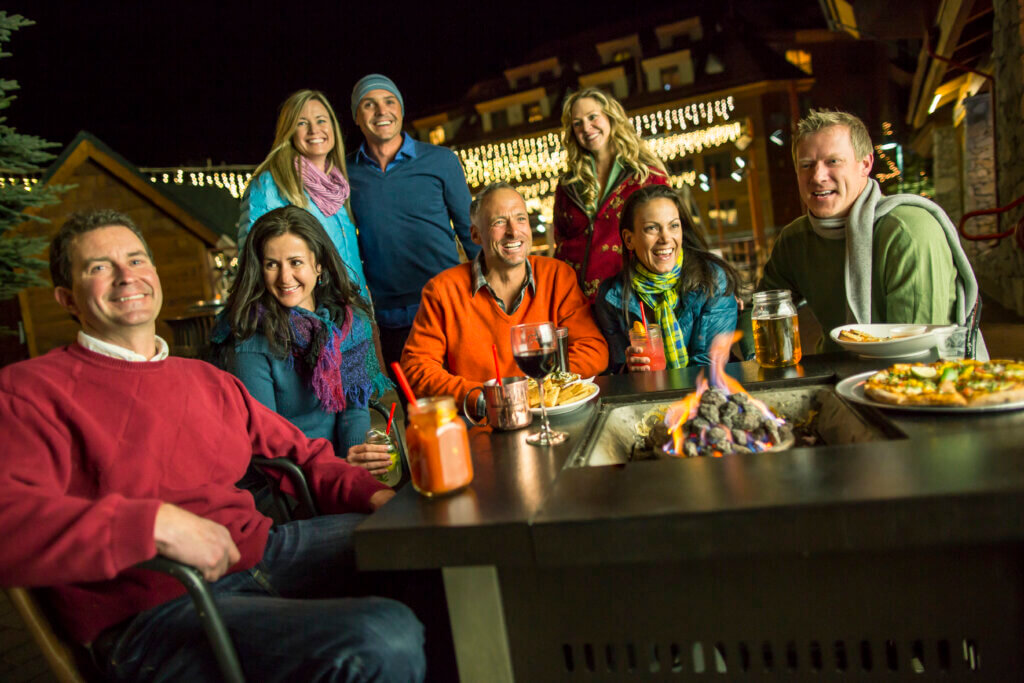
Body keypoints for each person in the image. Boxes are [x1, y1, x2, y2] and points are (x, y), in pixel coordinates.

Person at [0, 209, 425, 681]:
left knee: (424, 547)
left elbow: (303, 453)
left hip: (260, 552)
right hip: (159, 609)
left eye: (136, 260)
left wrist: (379, 497)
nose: (126, 277)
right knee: (383, 636)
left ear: (155, 275)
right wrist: (152, 524)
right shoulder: (29, 391)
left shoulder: (202, 379)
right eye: (99, 267)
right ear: (66, 298)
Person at [745, 109, 982, 356]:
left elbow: (917, 352)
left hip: (922, 381)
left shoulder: (908, 230)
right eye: (806, 165)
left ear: (865, 164)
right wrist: (757, 356)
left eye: (833, 161)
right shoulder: (794, 239)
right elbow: (758, 310)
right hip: (838, 372)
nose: (817, 176)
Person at [214, 205, 395, 476]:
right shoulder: (251, 339)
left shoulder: (349, 323)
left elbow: (353, 409)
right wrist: (339, 472)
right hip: (291, 478)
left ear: (318, 265)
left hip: (341, 469)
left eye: (295, 262)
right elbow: (270, 443)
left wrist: (355, 460)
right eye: (272, 265)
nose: (285, 277)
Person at [400, 183, 608, 412]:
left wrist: (540, 390)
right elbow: (417, 367)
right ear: (476, 235)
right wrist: (482, 398)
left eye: (520, 219)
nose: (513, 231)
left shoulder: (557, 275)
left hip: (552, 412)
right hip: (483, 422)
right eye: (498, 222)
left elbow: (593, 349)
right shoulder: (442, 290)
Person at [346, 73, 481, 373]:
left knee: (464, 404)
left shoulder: (441, 161)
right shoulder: (345, 174)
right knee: (416, 411)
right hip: (390, 318)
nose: (382, 111)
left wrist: (490, 298)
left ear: (402, 110)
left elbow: (471, 233)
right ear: (356, 116)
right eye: (369, 104)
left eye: (389, 102)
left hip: (448, 307)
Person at [237, 89, 369, 302]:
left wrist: (366, 308)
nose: (314, 130)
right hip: (310, 317)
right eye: (301, 123)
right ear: (288, 131)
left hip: (354, 313)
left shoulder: (338, 186)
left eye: (321, 120)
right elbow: (252, 262)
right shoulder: (271, 184)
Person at [594, 185, 740, 372]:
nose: (665, 238)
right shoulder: (611, 297)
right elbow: (614, 370)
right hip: (645, 395)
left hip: (705, 393)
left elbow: (709, 364)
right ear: (629, 239)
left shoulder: (712, 279)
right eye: (652, 228)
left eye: (673, 226)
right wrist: (628, 371)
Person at [553, 87, 669, 301]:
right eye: (577, 123)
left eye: (592, 117)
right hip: (576, 301)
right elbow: (559, 242)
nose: (586, 127)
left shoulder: (647, 176)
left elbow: (676, 233)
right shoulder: (567, 185)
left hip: (630, 296)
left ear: (611, 117)